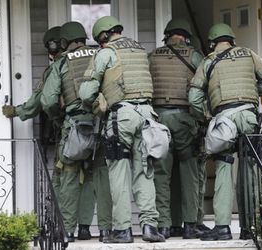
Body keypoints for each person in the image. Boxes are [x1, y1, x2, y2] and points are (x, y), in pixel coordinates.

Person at [79, 16, 165, 243]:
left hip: (121, 117)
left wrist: (97, 98)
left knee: (118, 174)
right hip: (147, 115)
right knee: (145, 172)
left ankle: (123, 230)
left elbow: (86, 93)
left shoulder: (106, 53)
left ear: (103, 36)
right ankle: (149, 227)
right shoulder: (139, 49)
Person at [188, 23, 262, 241]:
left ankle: (222, 228)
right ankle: (249, 227)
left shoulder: (208, 61)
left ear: (212, 42)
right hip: (248, 116)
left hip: (224, 119)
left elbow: (194, 97)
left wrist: (206, 116)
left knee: (224, 168)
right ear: (232, 39)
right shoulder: (248, 54)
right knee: (248, 171)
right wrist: (250, 93)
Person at [149, 18, 210, 239]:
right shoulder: (194, 56)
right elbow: (206, 83)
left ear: (168, 36)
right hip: (186, 118)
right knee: (190, 172)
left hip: (158, 120)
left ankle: (165, 225)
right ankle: (190, 224)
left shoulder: (153, 56)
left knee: (162, 173)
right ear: (185, 37)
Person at [40, 21, 98, 242]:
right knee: (92, 177)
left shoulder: (62, 63)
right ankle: (85, 228)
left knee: (69, 178)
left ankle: (68, 230)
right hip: (99, 126)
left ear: (64, 42)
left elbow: (47, 100)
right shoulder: (100, 55)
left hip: (73, 126)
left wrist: (58, 117)